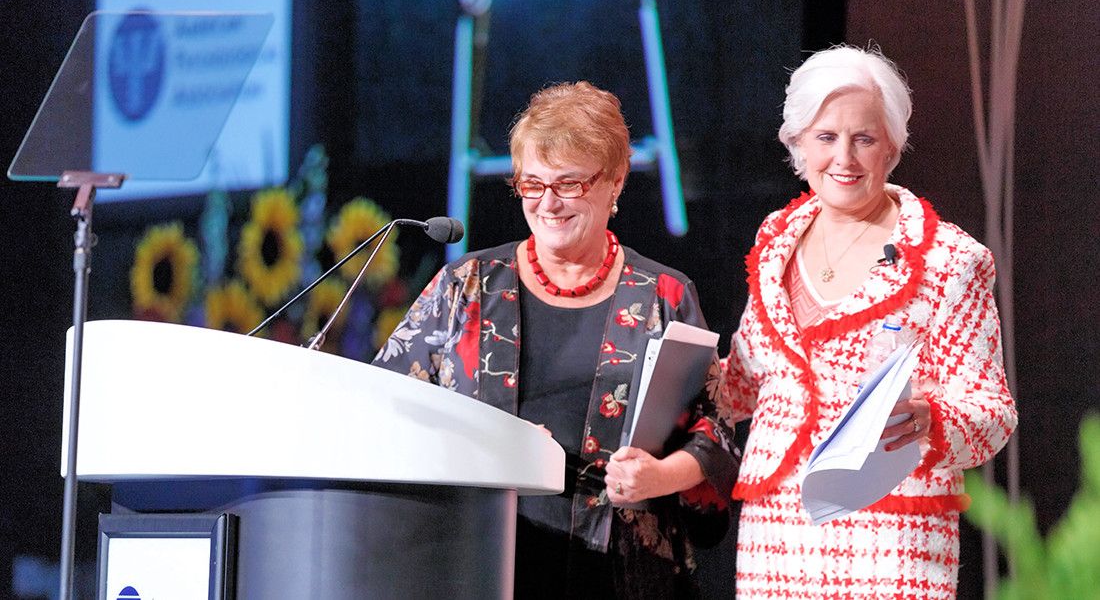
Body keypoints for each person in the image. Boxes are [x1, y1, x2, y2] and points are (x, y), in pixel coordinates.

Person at [373, 81, 739, 598]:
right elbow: (388, 407)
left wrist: (659, 477)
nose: (548, 203)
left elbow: (716, 433)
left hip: (626, 573)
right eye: (532, 184)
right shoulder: (466, 286)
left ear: (615, 182)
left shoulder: (664, 293)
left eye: (568, 184)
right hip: (485, 561)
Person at [721, 46, 1017, 599]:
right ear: (798, 143)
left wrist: (930, 419)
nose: (844, 158)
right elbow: (744, 379)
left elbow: (992, 412)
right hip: (777, 534)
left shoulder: (949, 260)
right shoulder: (774, 241)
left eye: (864, 138)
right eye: (826, 137)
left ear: (893, 147)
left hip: (894, 534)